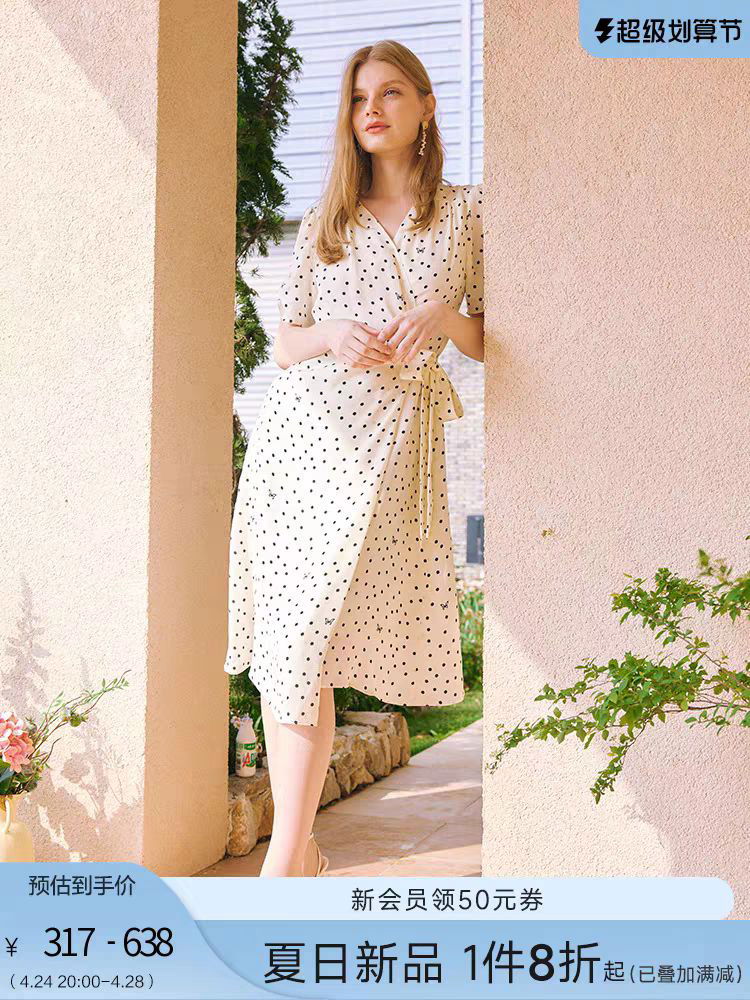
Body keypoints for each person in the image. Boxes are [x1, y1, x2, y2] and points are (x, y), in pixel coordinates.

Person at [223, 39, 485, 877]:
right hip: (303, 445)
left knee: (320, 646)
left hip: (395, 448)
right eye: (360, 98)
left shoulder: (467, 213)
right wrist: (332, 333)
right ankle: (288, 861)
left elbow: (494, 336)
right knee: (292, 645)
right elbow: (285, 343)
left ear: (426, 106)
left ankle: (295, 856)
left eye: (392, 93)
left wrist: (444, 318)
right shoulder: (327, 220)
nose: (372, 109)